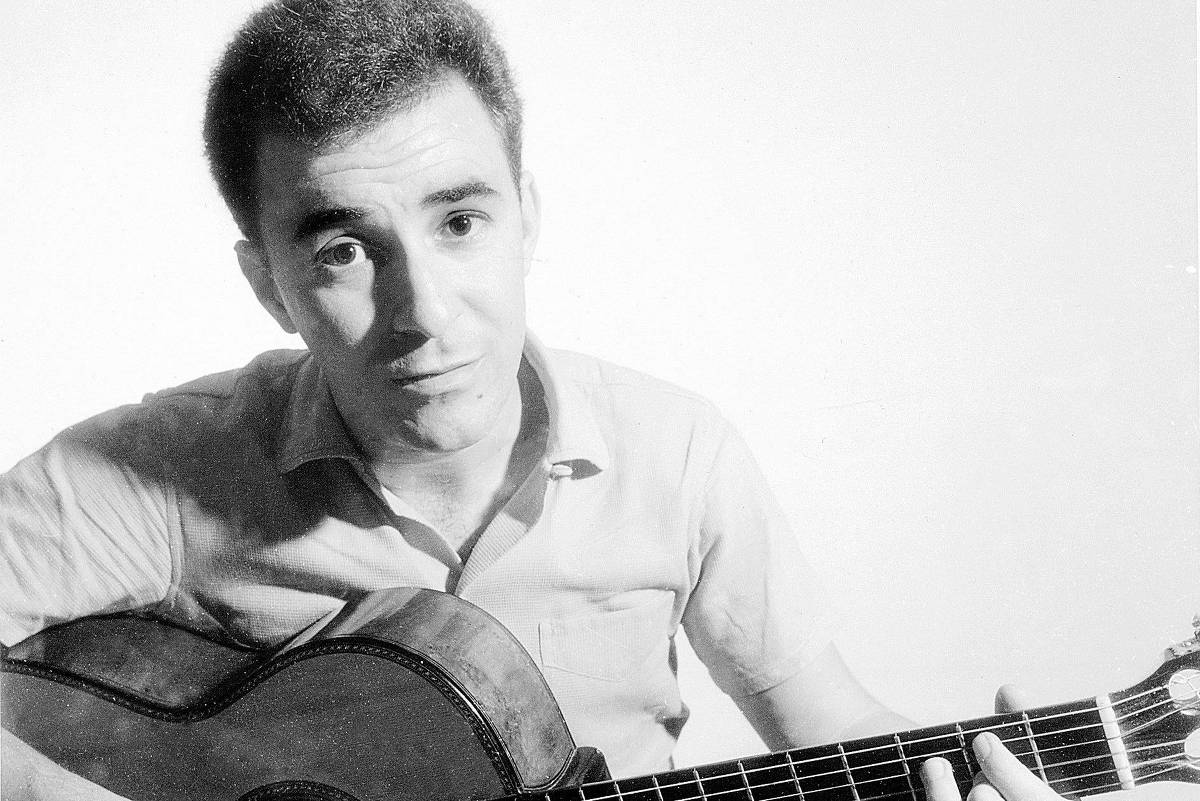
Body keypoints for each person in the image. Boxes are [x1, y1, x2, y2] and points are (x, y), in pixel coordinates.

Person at [0, 2, 1147, 800]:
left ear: (528, 218)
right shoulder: (157, 475)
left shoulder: (676, 454)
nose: (425, 312)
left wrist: (1008, 776)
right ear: (269, 284)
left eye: (460, 222)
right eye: (344, 249)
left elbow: (832, 729)